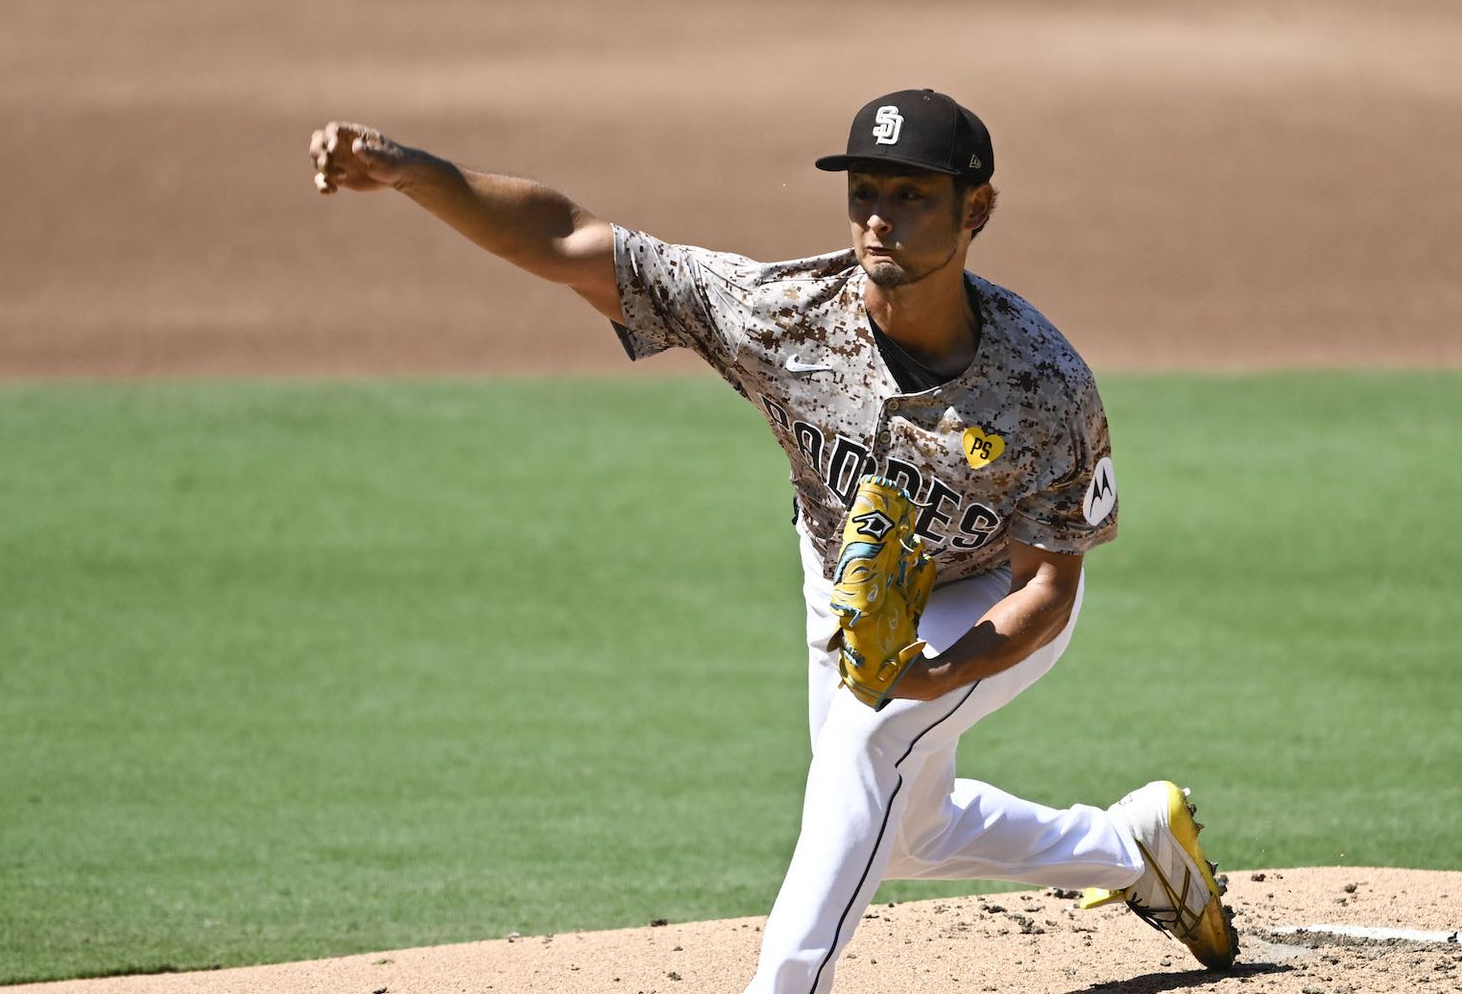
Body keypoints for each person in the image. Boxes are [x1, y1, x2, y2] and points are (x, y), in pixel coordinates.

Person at [308, 88, 1238, 993]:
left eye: (912, 196)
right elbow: (571, 241)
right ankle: (1134, 850)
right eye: (864, 193)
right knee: (903, 831)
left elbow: (1050, 591)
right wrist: (411, 173)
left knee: (866, 744)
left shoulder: (1042, 385)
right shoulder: (784, 314)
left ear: (976, 208)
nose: (880, 220)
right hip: (844, 572)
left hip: (996, 594)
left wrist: (934, 673)